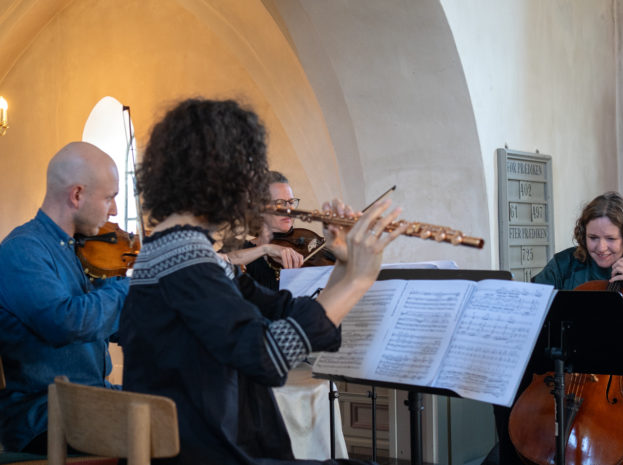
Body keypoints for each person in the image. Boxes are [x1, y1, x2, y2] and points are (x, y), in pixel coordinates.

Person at [119, 98, 406, 465]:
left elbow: (278, 309)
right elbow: (266, 355)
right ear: (221, 176)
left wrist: (344, 266)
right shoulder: (185, 262)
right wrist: (360, 280)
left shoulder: (178, 251)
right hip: (206, 454)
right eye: (250, 174)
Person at [494, 191, 623, 465]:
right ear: (583, 235)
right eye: (593, 238)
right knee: (503, 386)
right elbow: (530, 307)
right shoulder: (564, 265)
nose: (602, 247)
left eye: (611, 239)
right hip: (562, 363)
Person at [0, 142, 129, 453]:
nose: (113, 210)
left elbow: (106, 324)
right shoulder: (23, 250)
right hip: (45, 414)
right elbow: (66, 321)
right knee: (175, 432)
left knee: (184, 405)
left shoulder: (79, 250)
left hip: (91, 400)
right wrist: (127, 287)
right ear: (77, 195)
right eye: (109, 198)